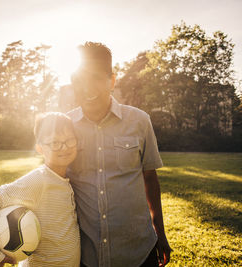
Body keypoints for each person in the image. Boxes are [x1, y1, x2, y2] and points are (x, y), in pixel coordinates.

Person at [67, 42, 172, 267]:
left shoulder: (140, 121)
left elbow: (150, 178)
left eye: (95, 78)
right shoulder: (64, 126)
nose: (87, 87)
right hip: (85, 256)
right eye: (80, 79)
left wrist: (160, 232)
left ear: (112, 81)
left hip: (138, 253)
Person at [0, 112, 81, 267]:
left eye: (69, 140)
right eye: (55, 143)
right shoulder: (39, 180)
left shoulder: (69, 178)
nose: (64, 147)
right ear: (39, 148)